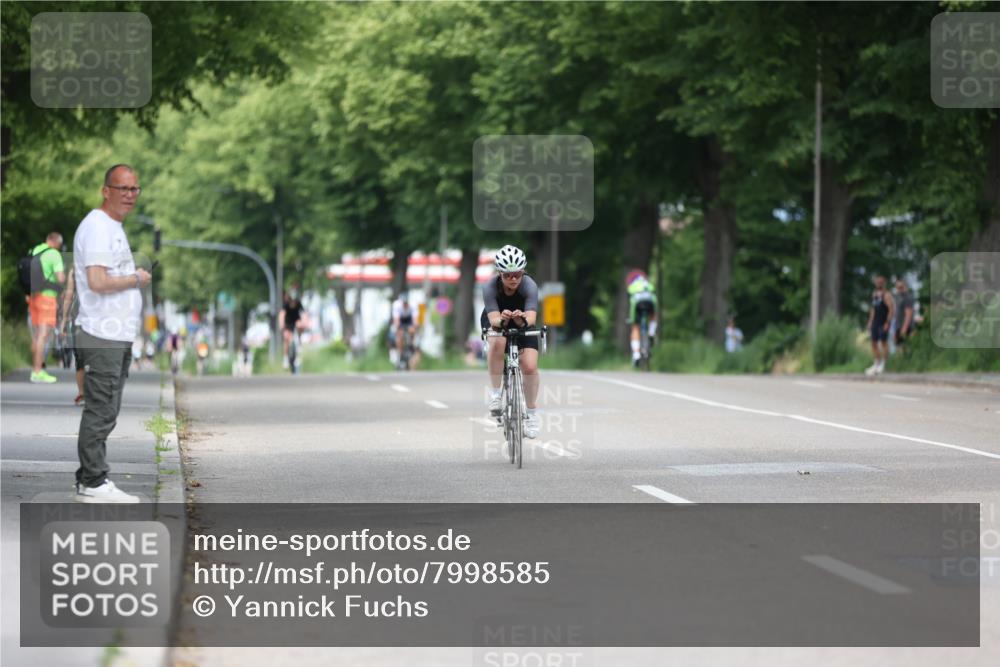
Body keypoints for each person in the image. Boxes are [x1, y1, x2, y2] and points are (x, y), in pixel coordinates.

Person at [73, 164, 150, 503]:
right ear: (106, 191)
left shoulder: (112, 228)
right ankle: (92, 482)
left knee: (107, 408)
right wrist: (136, 279)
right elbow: (98, 281)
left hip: (115, 333)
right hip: (102, 333)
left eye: (134, 189)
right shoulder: (98, 227)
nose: (130, 195)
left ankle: (90, 479)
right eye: (123, 189)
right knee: (101, 409)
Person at [482, 245, 541, 439]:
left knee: (530, 367)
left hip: (523, 321)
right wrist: (503, 319)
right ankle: (496, 395)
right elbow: (494, 321)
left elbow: (531, 319)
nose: (513, 279)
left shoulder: (529, 285)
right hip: (497, 320)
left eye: (517, 274)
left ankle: (532, 415)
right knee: (498, 342)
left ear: (523, 271)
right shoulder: (490, 287)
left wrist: (520, 319)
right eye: (507, 275)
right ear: (499, 273)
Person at [28, 232, 67, 383]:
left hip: (33, 297)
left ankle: (36, 368)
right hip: (47, 298)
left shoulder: (35, 250)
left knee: (37, 336)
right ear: (56, 242)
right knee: (44, 336)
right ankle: (38, 371)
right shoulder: (53, 254)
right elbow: (60, 278)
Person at [58, 268, 85, 404]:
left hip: (80, 318)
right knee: (83, 356)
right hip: (91, 319)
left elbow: (69, 295)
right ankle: (83, 392)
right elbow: (68, 296)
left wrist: (64, 320)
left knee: (80, 356)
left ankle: (82, 392)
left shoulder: (75, 270)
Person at [626, 270, 658, 366]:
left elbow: (630, 298)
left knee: (635, 327)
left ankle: (636, 354)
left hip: (637, 304)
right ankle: (651, 332)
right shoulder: (648, 284)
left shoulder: (632, 286)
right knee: (653, 317)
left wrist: (631, 319)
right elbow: (654, 292)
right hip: (650, 302)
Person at [865, 275, 895, 376]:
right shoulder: (874, 294)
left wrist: (888, 322)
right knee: (873, 343)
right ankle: (876, 363)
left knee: (883, 342)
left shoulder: (887, 295)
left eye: (881, 282)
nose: (879, 284)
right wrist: (870, 322)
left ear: (884, 283)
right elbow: (873, 309)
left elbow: (891, 309)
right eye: (877, 282)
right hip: (875, 322)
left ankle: (883, 364)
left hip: (883, 322)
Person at [391, 292, 418, 369]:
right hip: (401, 320)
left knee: (412, 330)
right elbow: (396, 320)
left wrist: (415, 327)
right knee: (399, 334)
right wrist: (399, 328)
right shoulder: (396, 305)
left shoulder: (413, 305)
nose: (405, 305)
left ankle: (411, 344)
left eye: (406, 303)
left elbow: (415, 320)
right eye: (404, 303)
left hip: (409, 319)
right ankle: (400, 352)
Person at [278, 292, 304, 370]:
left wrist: (305, 323)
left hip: (296, 321)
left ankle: (299, 343)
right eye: (291, 301)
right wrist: (281, 324)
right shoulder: (285, 305)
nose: (293, 303)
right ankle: (285, 358)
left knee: (299, 326)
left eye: (294, 301)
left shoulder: (299, 304)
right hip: (288, 323)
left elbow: (303, 314)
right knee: (286, 338)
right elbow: (282, 315)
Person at [891, 279, 915, 354]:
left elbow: (909, 314)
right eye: (897, 287)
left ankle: (911, 363)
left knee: (909, 347)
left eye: (901, 287)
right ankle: (902, 364)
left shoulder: (907, 297)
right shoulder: (897, 297)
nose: (899, 289)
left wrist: (904, 328)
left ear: (905, 286)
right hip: (898, 326)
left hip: (907, 327)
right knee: (899, 347)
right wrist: (895, 329)